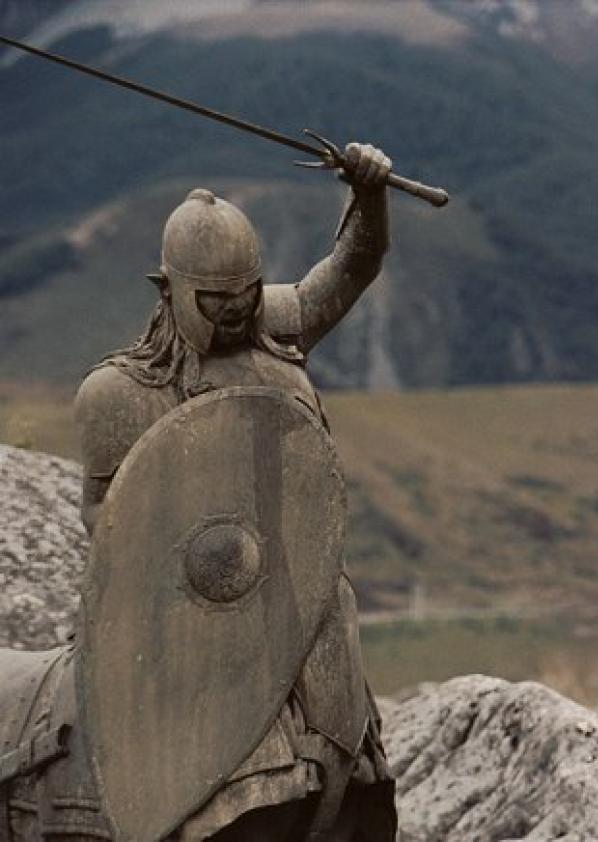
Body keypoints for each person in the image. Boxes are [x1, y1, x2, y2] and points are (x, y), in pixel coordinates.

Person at [65, 143, 398, 841]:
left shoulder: (279, 326)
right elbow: (111, 529)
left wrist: (368, 194)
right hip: (200, 630)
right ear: (170, 291)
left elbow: (353, 266)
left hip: (309, 608)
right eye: (216, 301)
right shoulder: (120, 394)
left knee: (354, 786)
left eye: (247, 293)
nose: (236, 312)